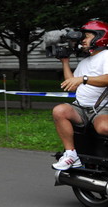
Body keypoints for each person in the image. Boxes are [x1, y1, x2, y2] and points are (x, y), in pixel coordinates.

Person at [52, 20, 108, 171]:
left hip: (101, 109)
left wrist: (84, 79)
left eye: (87, 36)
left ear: (100, 37)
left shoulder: (106, 56)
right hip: (81, 108)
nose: (83, 40)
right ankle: (71, 155)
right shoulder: (85, 61)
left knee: (104, 128)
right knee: (59, 110)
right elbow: (72, 84)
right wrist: (65, 62)